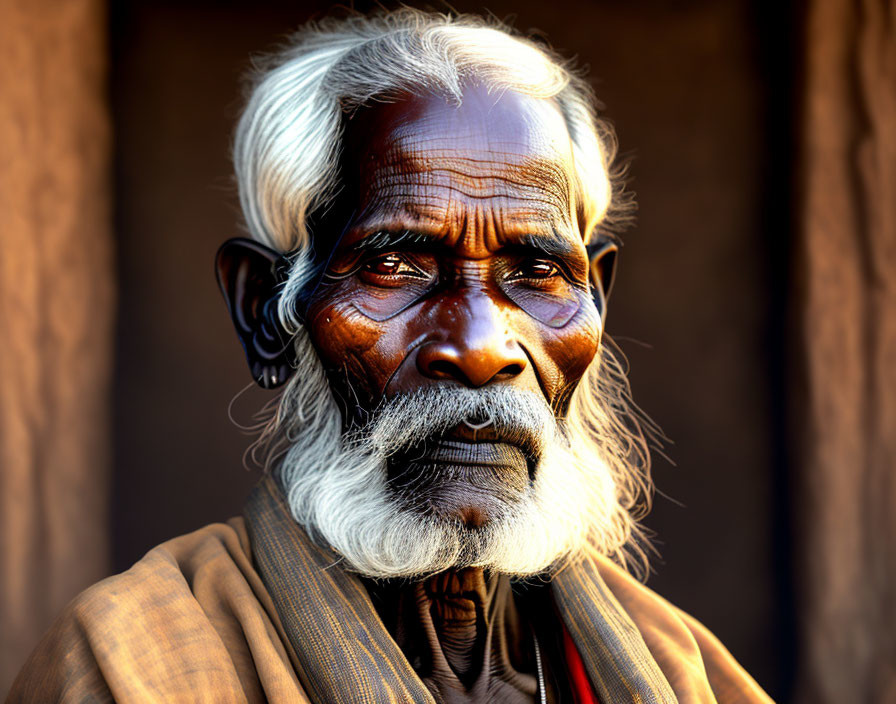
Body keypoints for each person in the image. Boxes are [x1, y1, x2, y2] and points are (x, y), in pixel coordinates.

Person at [7, 10, 772, 703]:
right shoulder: (131, 666)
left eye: (538, 273)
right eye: (394, 266)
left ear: (596, 301)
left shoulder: (679, 669)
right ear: (264, 311)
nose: (479, 349)